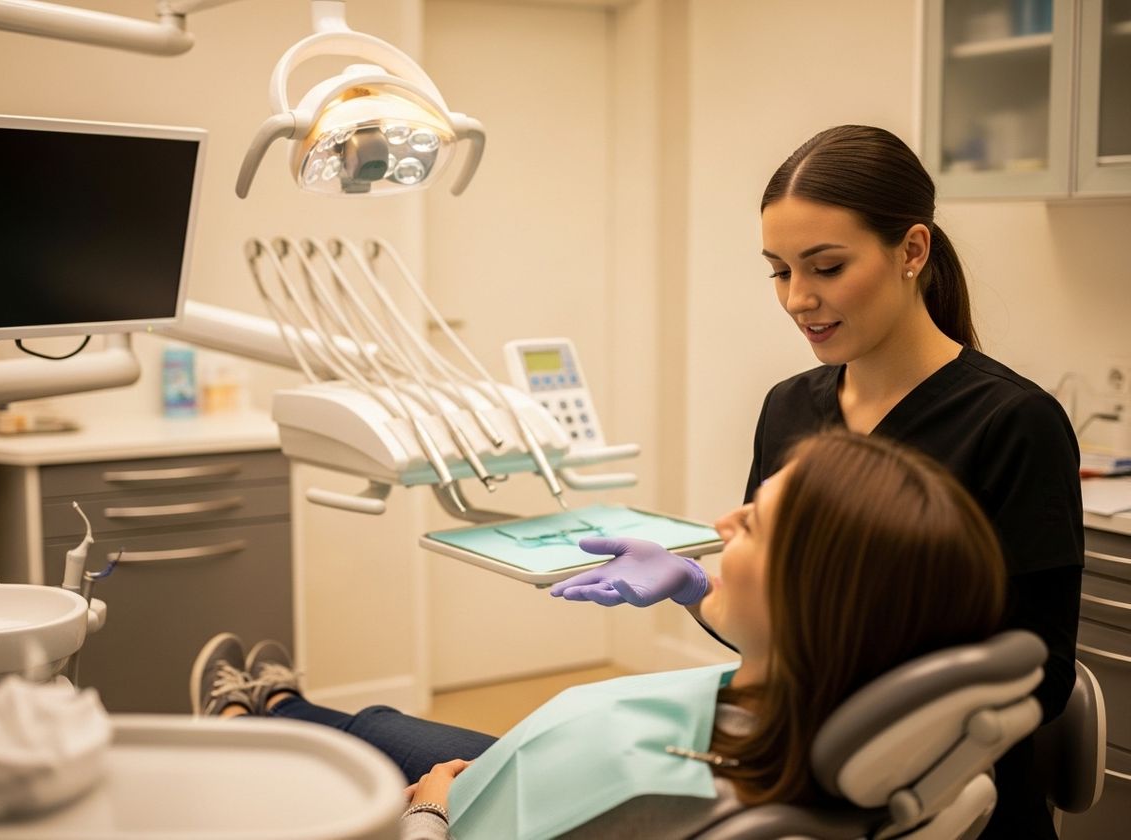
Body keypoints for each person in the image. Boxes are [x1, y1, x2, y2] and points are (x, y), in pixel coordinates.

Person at [548, 124, 1083, 838]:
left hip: (918, 796)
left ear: (912, 251)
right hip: (789, 766)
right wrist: (697, 589)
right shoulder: (790, 408)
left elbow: (1037, 678)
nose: (798, 298)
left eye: (826, 267)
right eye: (779, 270)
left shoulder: (1011, 423)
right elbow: (782, 626)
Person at [191, 430, 1007, 839]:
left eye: (751, 525)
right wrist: (699, 593)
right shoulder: (803, 696)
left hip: (455, 817)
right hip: (528, 777)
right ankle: (273, 704)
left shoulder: (661, 799)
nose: (720, 523)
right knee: (384, 726)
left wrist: (434, 815)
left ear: (813, 603)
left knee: (349, 767)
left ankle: (239, 726)